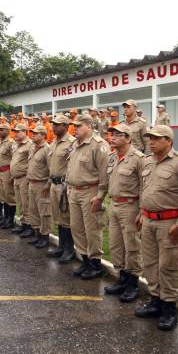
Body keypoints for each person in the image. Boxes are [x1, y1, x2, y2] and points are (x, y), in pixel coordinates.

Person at [135, 125, 178, 331]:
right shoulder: (148, 161)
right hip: (149, 220)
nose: (151, 141)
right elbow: (145, 190)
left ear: (169, 141)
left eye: (156, 138)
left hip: (168, 223)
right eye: (150, 138)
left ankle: (169, 308)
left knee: (168, 265)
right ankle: (155, 300)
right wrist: (142, 212)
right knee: (150, 263)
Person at [101, 123, 146, 302]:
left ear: (128, 138)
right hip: (115, 205)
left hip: (131, 205)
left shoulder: (138, 158)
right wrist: (99, 196)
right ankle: (122, 278)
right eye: (112, 134)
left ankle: (133, 283)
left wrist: (142, 211)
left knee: (132, 246)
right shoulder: (112, 157)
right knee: (116, 244)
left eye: (118, 135)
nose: (113, 137)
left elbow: (145, 187)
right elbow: (105, 181)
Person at [66, 114, 110, 280]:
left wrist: (100, 196)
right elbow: (71, 168)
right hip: (75, 191)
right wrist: (70, 186)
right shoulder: (75, 144)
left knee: (92, 229)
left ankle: (95, 264)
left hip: (90, 192)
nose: (75, 129)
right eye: (74, 126)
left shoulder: (98, 145)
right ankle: (85, 260)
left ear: (89, 127)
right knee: (76, 227)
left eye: (79, 126)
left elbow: (104, 173)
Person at [47, 114, 77, 263]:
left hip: (64, 186)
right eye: (53, 124)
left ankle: (69, 249)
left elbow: (73, 166)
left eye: (58, 124)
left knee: (66, 218)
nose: (54, 127)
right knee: (57, 217)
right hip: (53, 184)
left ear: (66, 126)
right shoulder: (54, 142)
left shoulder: (71, 142)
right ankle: (61, 245)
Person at [27, 125, 52, 249]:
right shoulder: (32, 147)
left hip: (42, 184)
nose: (32, 135)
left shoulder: (47, 149)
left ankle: (45, 236)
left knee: (44, 212)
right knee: (33, 210)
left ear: (43, 135)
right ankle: (37, 234)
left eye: (36, 133)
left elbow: (51, 169)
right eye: (32, 133)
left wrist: (48, 184)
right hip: (32, 183)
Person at [10, 123, 34, 237]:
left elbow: (31, 163)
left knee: (26, 203)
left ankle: (29, 226)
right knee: (20, 203)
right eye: (15, 132)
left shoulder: (30, 145)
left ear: (25, 132)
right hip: (16, 178)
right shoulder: (16, 145)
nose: (16, 134)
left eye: (18, 131)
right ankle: (23, 224)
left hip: (24, 178)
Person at [0, 122, 17, 229]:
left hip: (7, 172)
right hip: (0, 172)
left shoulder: (11, 143)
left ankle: (10, 220)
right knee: (3, 196)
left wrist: (12, 174)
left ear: (7, 131)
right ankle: (5, 217)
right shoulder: (0, 142)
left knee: (9, 196)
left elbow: (14, 159)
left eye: (1, 129)